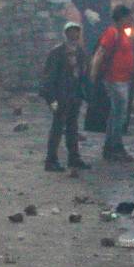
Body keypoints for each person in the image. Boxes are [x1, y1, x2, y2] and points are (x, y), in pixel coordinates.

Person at [40, 21, 90, 172]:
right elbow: (49, 78)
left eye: (76, 31)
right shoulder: (57, 53)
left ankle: (73, 158)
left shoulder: (80, 52)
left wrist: (84, 94)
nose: (74, 34)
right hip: (60, 96)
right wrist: (51, 99)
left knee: (72, 127)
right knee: (57, 127)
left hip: (74, 95)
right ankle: (51, 160)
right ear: (66, 34)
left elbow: (82, 75)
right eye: (71, 32)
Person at [92, 4, 134, 161]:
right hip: (114, 79)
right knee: (119, 115)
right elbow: (100, 52)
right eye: (129, 17)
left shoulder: (122, 33)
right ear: (122, 18)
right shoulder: (112, 33)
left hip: (123, 79)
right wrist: (93, 74)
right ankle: (116, 146)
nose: (131, 20)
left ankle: (110, 146)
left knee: (116, 114)